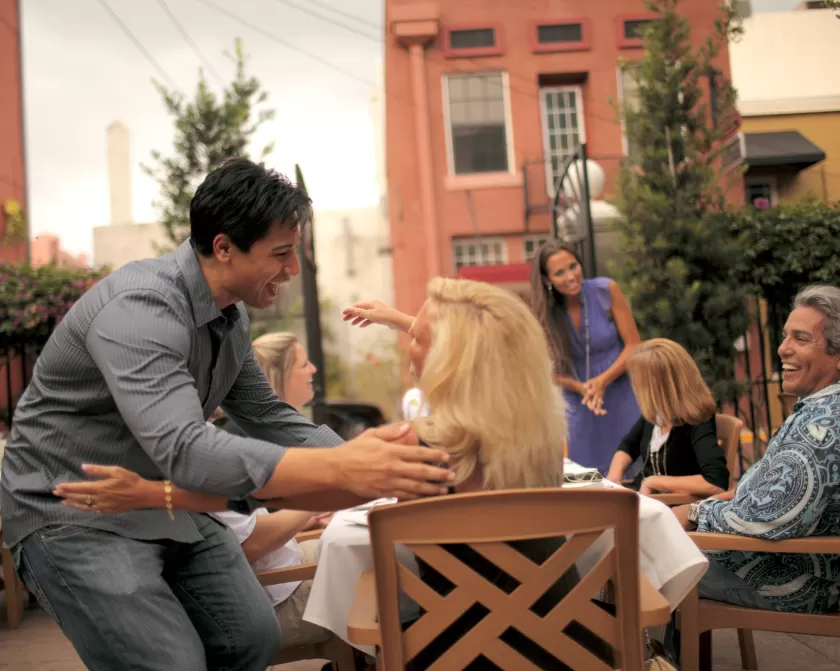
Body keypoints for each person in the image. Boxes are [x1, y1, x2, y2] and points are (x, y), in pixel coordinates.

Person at [0, 159, 454, 671]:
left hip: (162, 502)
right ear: (223, 248)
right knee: (170, 663)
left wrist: (377, 464)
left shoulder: (229, 317)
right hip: (73, 510)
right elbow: (185, 449)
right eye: (281, 254)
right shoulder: (140, 310)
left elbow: (269, 415)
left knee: (252, 638)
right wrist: (344, 470)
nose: (293, 271)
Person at [347, 278, 613, 669]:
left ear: (449, 360)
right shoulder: (540, 439)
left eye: (418, 339)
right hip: (563, 649)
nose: (410, 346)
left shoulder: (411, 448)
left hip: (453, 653)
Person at [58, 335, 339, 665]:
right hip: (274, 595)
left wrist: (303, 516)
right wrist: (317, 501)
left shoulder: (173, 444)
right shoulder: (192, 453)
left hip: (275, 578)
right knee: (380, 568)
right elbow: (252, 544)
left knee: (368, 555)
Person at [674, 284, 840, 614]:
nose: (782, 349)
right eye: (785, 336)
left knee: (630, 558)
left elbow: (774, 515)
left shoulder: (823, 425)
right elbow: (759, 493)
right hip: (766, 557)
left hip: (794, 578)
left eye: (801, 339)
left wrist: (693, 513)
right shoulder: (817, 409)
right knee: (645, 550)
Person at [529, 240, 641, 475]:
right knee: (588, 478)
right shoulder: (543, 314)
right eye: (560, 273)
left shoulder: (605, 290)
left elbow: (633, 345)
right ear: (548, 280)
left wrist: (602, 381)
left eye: (573, 266)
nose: (570, 276)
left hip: (621, 393)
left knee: (632, 471)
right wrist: (581, 388)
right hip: (579, 403)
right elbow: (547, 369)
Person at [605, 339, 729, 497]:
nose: (634, 389)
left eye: (639, 384)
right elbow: (627, 446)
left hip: (669, 511)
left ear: (659, 388)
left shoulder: (697, 420)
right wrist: (614, 477)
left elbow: (715, 481)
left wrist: (654, 481)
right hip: (647, 503)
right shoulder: (656, 416)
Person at [217, 331, 317, 435]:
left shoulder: (275, 428)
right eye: (304, 364)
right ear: (278, 376)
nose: (314, 369)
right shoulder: (253, 434)